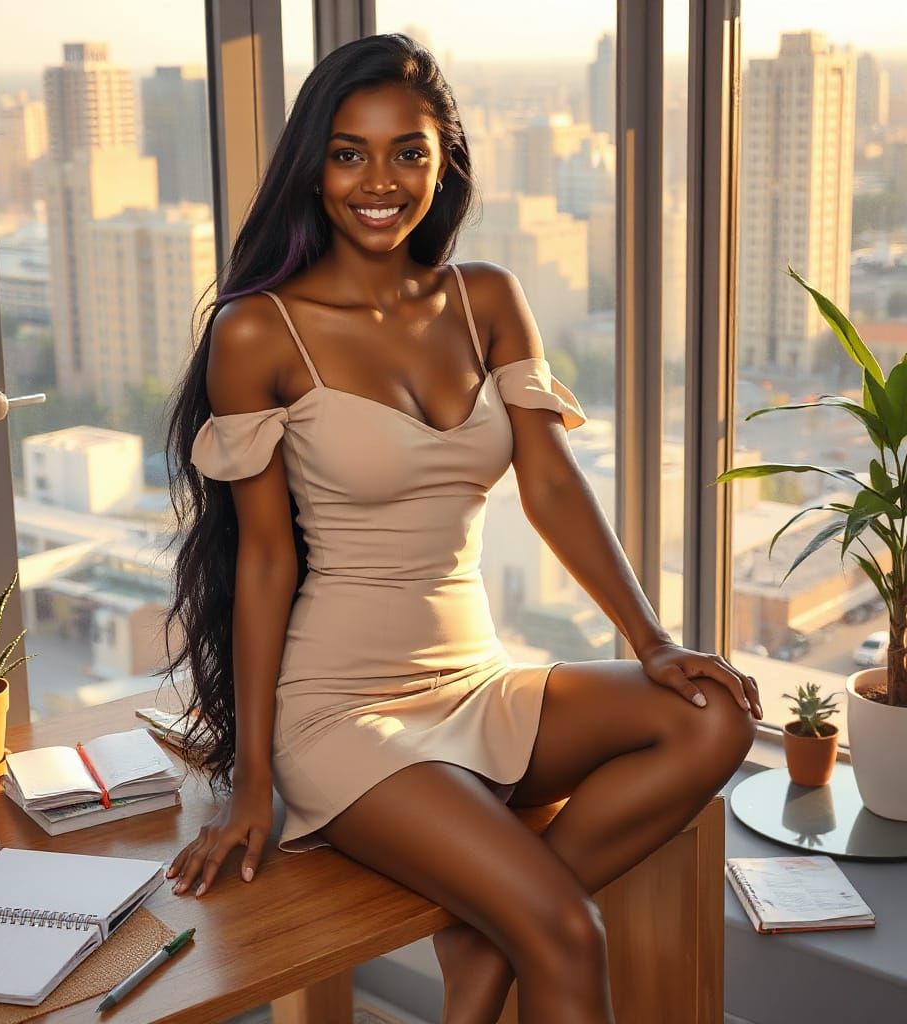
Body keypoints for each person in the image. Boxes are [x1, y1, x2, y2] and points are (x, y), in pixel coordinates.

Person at [161, 32, 760, 1024]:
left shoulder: (485, 298)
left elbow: (552, 485)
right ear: (313, 167)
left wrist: (652, 640)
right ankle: (517, 919)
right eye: (348, 153)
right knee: (567, 932)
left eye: (408, 152)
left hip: (476, 678)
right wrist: (254, 780)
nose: (378, 181)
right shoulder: (259, 329)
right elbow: (264, 561)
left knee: (713, 715)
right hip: (345, 713)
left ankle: (486, 929)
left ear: (444, 164)